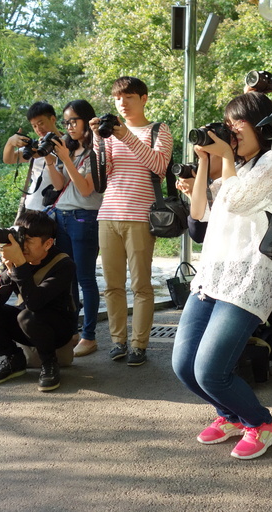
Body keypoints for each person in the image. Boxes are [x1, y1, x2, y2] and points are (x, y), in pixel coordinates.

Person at [171, 92, 272, 460]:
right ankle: (229, 415)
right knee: (184, 366)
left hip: (248, 281)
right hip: (211, 278)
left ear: (261, 124)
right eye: (227, 124)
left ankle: (261, 424)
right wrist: (206, 163)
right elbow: (199, 214)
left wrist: (225, 158)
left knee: (210, 370)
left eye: (237, 122)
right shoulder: (237, 168)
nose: (231, 130)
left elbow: (238, 201)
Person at [90, 76, 173, 367]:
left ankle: (139, 344)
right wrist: (98, 140)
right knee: (112, 285)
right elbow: (104, 173)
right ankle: (118, 342)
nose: (122, 104)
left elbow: (159, 166)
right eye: (117, 99)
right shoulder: (110, 134)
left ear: (144, 98)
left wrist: (125, 135)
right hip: (108, 215)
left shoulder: (158, 130)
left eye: (128, 97)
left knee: (141, 285)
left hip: (139, 216)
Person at [0, 210, 77, 392]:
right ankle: (14, 359)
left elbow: (35, 303)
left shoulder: (64, 264)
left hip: (58, 330)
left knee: (28, 316)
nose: (23, 246)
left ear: (47, 243)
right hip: (29, 324)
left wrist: (20, 265)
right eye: (21, 239)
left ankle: (49, 363)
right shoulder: (21, 261)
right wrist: (9, 268)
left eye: (28, 240)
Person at [43, 100, 103, 358]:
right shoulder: (70, 150)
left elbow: (86, 189)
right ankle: (72, 332)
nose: (69, 127)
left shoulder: (94, 153)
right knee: (67, 280)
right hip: (62, 217)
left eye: (73, 121)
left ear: (86, 120)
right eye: (66, 122)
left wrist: (66, 159)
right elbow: (59, 186)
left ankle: (89, 336)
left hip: (84, 218)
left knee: (86, 279)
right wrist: (49, 159)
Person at [2, 102, 63, 216]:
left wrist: (46, 155)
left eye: (41, 123)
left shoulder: (68, 144)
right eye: (34, 126)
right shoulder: (35, 146)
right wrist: (10, 143)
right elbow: (9, 159)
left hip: (58, 209)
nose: (38, 128)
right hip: (32, 207)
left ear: (53, 119)